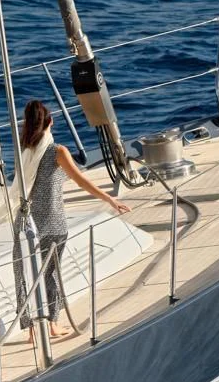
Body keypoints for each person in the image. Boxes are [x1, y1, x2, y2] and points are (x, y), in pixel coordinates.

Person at [12, 100, 131, 338]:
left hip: (25, 222)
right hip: (53, 222)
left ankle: (31, 330)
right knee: (50, 274)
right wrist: (110, 199)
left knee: (23, 273)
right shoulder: (58, 152)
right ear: (50, 122)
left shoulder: (24, 153)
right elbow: (80, 181)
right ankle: (53, 324)